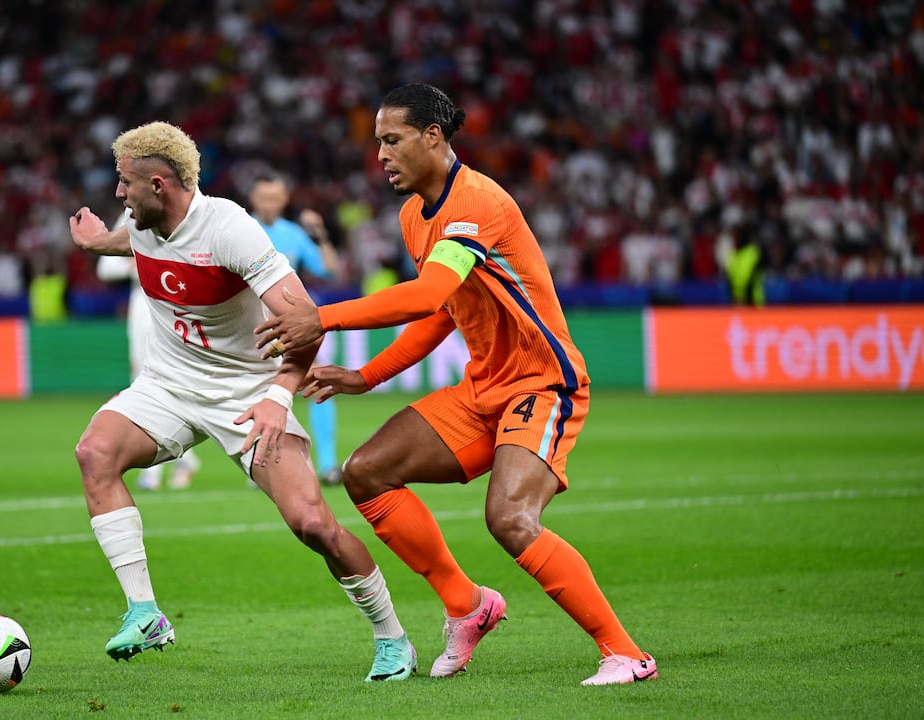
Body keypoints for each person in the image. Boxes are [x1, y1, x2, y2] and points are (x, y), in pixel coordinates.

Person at [255, 83, 657, 686]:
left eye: (392, 140)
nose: (382, 155)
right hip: (483, 391)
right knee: (367, 472)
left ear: (433, 137)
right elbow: (442, 313)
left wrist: (324, 316)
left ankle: (626, 654)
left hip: (543, 384)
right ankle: (467, 604)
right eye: (378, 143)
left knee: (510, 518)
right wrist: (366, 375)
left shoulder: (475, 201)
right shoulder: (414, 215)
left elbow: (427, 294)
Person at [67, 121, 416, 681]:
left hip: (247, 393)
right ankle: (145, 612)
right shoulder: (144, 222)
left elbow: (306, 321)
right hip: (169, 383)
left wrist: (280, 396)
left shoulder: (230, 230)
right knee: (94, 453)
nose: (116, 194)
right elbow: (128, 240)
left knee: (313, 524)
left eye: (124, 183)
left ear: (159, 184)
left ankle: (392, 637)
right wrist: (94, 242)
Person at [247, 173, 343, 486]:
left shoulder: (294, 234)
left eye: (275, 198)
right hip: (249, 326)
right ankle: (257, 463)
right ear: (253, 198)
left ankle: (328, 465)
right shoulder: (240, 229)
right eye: (264, 198)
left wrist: (320, 235)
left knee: (317, 383)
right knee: (251, 392)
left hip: (290, 324)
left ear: (284, 200)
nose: (269, 204)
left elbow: (329, 269)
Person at [96, 240, 201, 491]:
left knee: (169, 381)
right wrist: (134, 266)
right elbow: (105, 268)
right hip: (142, 308)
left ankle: (156, 471)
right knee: (141, 381)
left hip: (176, 305)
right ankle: (181, 462)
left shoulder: (183, 219)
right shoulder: (130, 219)